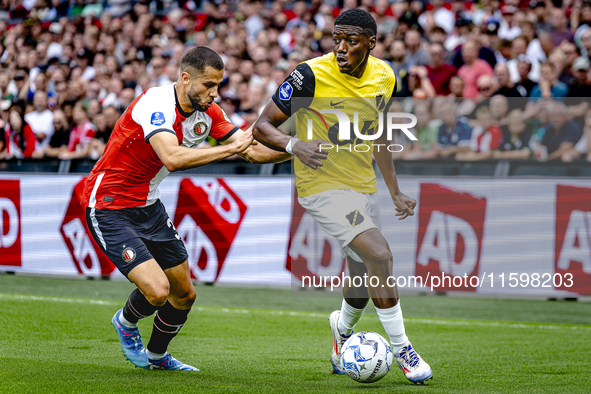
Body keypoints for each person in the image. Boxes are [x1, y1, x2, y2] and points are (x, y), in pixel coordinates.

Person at [252, 9, 432, 384]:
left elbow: (379, 137)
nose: (340, 47)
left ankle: (342, 334)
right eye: (336, 39)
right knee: (380, 255)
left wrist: (394, 191)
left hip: (362, 185)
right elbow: (261, 126)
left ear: (371, 43)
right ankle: (404, 351)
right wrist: (295, 144)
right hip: (321, 187)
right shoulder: (308, 75)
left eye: (351, 40)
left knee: (363, 277)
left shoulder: (384, 76)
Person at [81, 46, 289, 371]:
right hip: (108, 204)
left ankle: (157, 358)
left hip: (148, 205)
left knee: (184, 295)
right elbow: (172, 157)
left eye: (219, 85)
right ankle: (125, 321)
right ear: (185, 77)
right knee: (157, 291)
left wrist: (299, 147)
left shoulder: (209, 113)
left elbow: (253, 151)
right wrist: (229, 149)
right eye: (209, 85)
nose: (215, 93)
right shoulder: (156, 103)